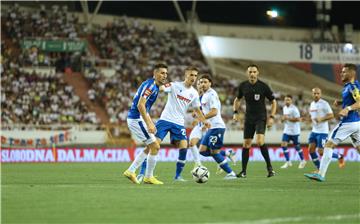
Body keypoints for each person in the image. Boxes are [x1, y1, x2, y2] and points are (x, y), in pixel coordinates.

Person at [126, 66, 210, 184]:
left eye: (196, 76)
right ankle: (142, 173)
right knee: (152, 146)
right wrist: (154, 87)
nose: (194, 78)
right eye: (191, 75)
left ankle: (177, 176)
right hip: (165, 120)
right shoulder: (174, 85)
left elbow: (197, 110)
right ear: (186, 75)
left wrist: (204, 120)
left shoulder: (194, 93)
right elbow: (160, 88)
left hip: (179, 123)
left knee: (183, 146)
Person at [305, 63, 360, 182]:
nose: (341, 73)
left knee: (328, 145)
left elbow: (359, 102)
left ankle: (321, 174)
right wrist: (341, 103)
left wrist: (347, 109)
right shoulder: (348, 86)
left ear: (352, 73)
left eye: (344, 71)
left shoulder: (353, 86)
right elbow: (353, 100)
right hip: (356, 123)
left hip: (348, 122)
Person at [123, 63, 168, 184]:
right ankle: (148, 177)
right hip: (136, 119)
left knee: (150, 147)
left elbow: (165, 87)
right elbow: (140, 105)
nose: (165, 75)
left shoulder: (154, 85)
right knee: (155, 146)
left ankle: (131, 171)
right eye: (162, 73)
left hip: (138, 118)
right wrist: (149, 124)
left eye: (166, 73)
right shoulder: (151, 86)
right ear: (155, 74)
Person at [233, 64, 277, 178]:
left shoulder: (263, 86)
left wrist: (272, 117)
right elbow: (237, 99)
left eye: (254, 72)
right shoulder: (243, 86)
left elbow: (274, 101)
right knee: (246, 144)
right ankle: (243, 172)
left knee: (259, 141)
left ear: (258, 73)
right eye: (250, 72)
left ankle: (270, 168)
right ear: (247, 73)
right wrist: (235, 112)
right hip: (248, 118)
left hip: (260, 117)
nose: (252, 74)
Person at [197, 74, 237, 179]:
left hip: (217, 127)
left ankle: (231, 173)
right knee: (202, 151)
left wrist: (202, 118)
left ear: (210, 83)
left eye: (205, 82)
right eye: (201, 82)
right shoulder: (204, 95)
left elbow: (214, 112)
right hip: (211, 127)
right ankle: (227, 153)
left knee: (214, 153)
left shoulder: (212, 94)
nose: (203, 84)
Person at [307, 87, 345, 171]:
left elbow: (331, 115)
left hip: (322, 132)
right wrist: (308, 119)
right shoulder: (312, 104)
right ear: (312, 94)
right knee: (311, 150)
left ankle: (339, 156)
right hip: (314, 131)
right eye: (314, 93)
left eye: (318, 93)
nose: (316, 95)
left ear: (320, 94)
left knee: (321, 152)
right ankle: (319, 169)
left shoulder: (324, 103)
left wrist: (321, 119)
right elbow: (313, 116)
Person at [280, 95, 307, 169]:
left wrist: (287, 118)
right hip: (287, 130)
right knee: (283, 144)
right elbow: (284, 118)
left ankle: (303, 160)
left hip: (295, 131)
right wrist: (283, 119)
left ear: (291, 101)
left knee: (297, 146)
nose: (286, 101)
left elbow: (298, 119)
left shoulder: (294, 109)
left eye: (288, 100)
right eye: (285, 100)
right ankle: (288, 161)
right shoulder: (284, 108)